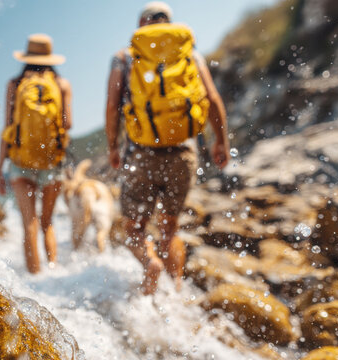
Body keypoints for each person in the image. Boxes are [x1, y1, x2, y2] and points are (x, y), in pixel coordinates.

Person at [105, 2, 230, 294]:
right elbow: (211, 97)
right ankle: (174, 290)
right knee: (170, 227)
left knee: (134, 227)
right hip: (183, 151)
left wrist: (113, 145)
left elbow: (113, 106)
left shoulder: (124, 57)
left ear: (141, 24)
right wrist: (220, 141)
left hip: (140, 153)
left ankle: (150, 263)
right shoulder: (189, 53)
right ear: (170, 23)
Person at [0, 34, 72, 274]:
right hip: (52, 162)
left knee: (29, 223)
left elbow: (7, 128)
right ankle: (53, 273)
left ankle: (34, 280)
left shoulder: (15, 84)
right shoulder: (61, 85)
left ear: (26, 57)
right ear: (51, 58)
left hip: (20, 163)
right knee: (47, 222)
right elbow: (68, 124)